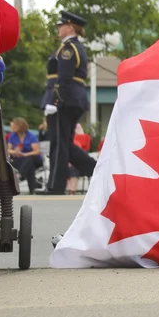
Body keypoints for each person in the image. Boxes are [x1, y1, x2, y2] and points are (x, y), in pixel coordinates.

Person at [38, 11, 97, 195]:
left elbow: (63, 78)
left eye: (61, 25)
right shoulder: (72, 47)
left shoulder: (68, 49)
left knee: (58, 143)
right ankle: (96, 171)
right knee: (64, 144)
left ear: (70, 27)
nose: (58, 28)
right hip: (71, 99)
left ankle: (55, 187)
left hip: (65, 100)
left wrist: (55, 101)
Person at [7, 117, 42, 194]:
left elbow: (36, 151)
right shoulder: (12, 136)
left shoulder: (31, 136)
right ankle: (33, 189)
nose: (13, 127)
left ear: (21, 126)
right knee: (30, 167)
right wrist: (15, 152)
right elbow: (8, 149)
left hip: (35, 159)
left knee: (29, 159)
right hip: (21, 160)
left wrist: (25, 154)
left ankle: (20, 175)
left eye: (16, 126)